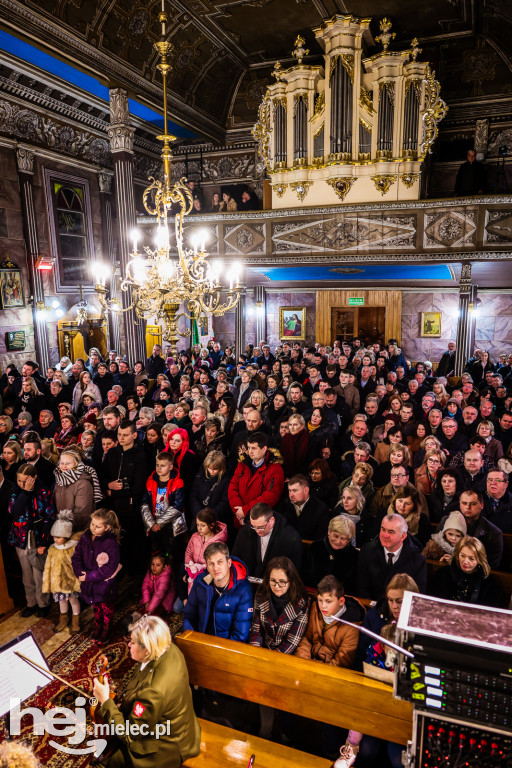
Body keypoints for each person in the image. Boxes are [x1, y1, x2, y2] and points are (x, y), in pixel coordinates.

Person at [93, 614, 201, 768]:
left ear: (147, 651)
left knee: (109, 763)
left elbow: (131, 735)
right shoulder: (170, 649)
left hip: (165, 747)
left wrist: (105, 701)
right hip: (183, 727)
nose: (129, 645)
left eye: (133, 642)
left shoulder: (152, 692)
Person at [8, 462, 55, 617]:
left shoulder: (43, 491)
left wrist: (43, 543)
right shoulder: (16, 490)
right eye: (19, 480)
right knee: (26, 573)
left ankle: (43, 603)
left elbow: (49, 517)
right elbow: (14, 511)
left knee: (39, 574)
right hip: (21, 537)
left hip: (38, 538)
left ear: (34, 478)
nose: (21, 484)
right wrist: (25, 492)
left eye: (25, 481)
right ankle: (31, 603)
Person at [183, 541, 253, 641]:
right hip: (200, 640)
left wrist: (218, 652)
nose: (215, 568)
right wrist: (191, 640)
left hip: (223, 647)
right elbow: (189, 615)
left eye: (220, 562)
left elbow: (240, 635)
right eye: (211, 563)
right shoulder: (201, 581)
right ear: (206, 566)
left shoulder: (243, 589)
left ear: (229, 563)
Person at [71, 508, 121, 643]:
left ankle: (106, 629)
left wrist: (88, 576)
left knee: (106, 608)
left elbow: (109, 568)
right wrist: (79, 572)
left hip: (104, 585)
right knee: (96, 607)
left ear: (107, 527)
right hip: (89, 583)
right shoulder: (85, 537)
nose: (93, 528)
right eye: (92, 524)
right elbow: (76, 556)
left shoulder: (110, 543)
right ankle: (98, 627)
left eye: (98, 527)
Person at [295, 574, 364, 668]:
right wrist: (305, 662)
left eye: (328, 601)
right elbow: (306, 639)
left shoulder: (352, 626)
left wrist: (313, 667)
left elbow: (342, 662)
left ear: (341, 601)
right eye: (320, 600)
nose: (323, 606)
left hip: (330, 671)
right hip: (307, 664)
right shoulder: (315, 609)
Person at [357, 513, 427, 599]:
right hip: (372, 606)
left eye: (391, 532)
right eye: (383, 530)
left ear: (403, 536)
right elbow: (362, 588)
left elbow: (417, 594)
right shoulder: (367, 551)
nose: (385, 535)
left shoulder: (417, 559)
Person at [250, 556, 310, 653]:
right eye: (273, 581)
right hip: (260, 649)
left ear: (291, 581)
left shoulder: (302, 602)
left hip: (283, 654)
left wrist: (272, 659)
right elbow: (256, 630)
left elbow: (292, 641)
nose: (276, 586)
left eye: (282, 582)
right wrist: (256, 653)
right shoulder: (261, 593)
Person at [228, 431, 285, 528]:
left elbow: (270, 496)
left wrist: (245, 510)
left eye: (254, 448)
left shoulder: (275, 469)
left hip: (260, 521)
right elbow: (232, 487)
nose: (250, 451)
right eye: (249, 447)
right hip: (239, 518)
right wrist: (238, 511)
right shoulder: (242, 464)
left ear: (264, 449)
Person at [232, 502, 303, 579]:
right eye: (253, 526)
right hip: (249, 584)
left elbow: (293, 573)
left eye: (261, 527)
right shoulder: (245, 532)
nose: (257, 531)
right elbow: (235, 560)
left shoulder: (291, 538)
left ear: (271, 520)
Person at [437, 489, 503, 569]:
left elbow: (491, 565)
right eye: (464, 503)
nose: (468, 507)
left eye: (473, 504)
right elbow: (436, 548)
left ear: (482, 505)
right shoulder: (446, 521)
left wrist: (457, 562)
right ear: (460, 504)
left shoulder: (494, 533)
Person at [42, 510, 82, 633]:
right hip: (58, 583)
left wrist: (78, 580)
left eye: (58, 537)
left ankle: (76, 620)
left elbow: (78, 565)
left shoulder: (73, 548)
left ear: (66, 537)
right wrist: (48, 582)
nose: (55, 539)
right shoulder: (53, 549)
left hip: (70, 582)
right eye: (54, 536)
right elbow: (48, 567)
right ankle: (63, 619)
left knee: (73, 600)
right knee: (61, 601)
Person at [429, 536, 498, 606]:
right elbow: (431, 601)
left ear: (479, 560)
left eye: (471, 558)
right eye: (462, 555)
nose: (465, 561)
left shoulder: (489, 582)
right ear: (457, 554)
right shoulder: (443, 573)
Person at [140, 451, 185, 558]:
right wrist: (151, 524)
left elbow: (177, 507)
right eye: (157, 465)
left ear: (170, 467)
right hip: (153, 524)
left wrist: (159, 524)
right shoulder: (150, 481)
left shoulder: (178, 482)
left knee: (171, 555)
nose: (159, 468)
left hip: (172, 527)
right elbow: (144, 504)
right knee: (155, 554)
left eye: (163, 466)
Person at [304, 515, 359, 594]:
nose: (338, 541)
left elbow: (352, 586)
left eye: (343, 538)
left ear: (349, 540)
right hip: (315, 594)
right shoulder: (315, 547)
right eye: (336, 536)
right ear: (329, 532)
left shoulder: (354, 555)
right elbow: (307, 577)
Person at [184, 507, 228, 593]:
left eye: (202, 525)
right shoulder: (194, 537)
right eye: (197, 525)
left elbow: (218, 566)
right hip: (192, 579)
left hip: (207, 584)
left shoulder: (218, 544)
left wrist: (205, 579)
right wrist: (191, 567)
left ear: (211, 525)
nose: (199, 528)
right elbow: (188, 552)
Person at [53, 449, 98, 532]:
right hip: (61, 529)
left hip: (79, 530)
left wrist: (65, 529)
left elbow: (82, 513)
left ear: (76, 464)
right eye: (62, 463)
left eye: (68, 463)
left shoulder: (83, 484)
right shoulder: (60, 480)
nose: (64, 466)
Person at [280, 474, 331, 540]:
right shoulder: (283, 505)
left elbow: (320, 538)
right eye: (290, 490)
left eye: (295, 491)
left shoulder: (321, 509)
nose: (291, 495)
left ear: (306, 490)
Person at [189, 451, 231, 524]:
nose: (212, 471)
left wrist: (210, 516)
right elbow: (193, 496)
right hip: (199, 518)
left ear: (221, 467)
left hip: (217, 520)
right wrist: (199, 514)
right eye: (209, 468)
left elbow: (225, 501)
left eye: (215, 469)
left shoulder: (227, 480)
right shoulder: (200, 476)